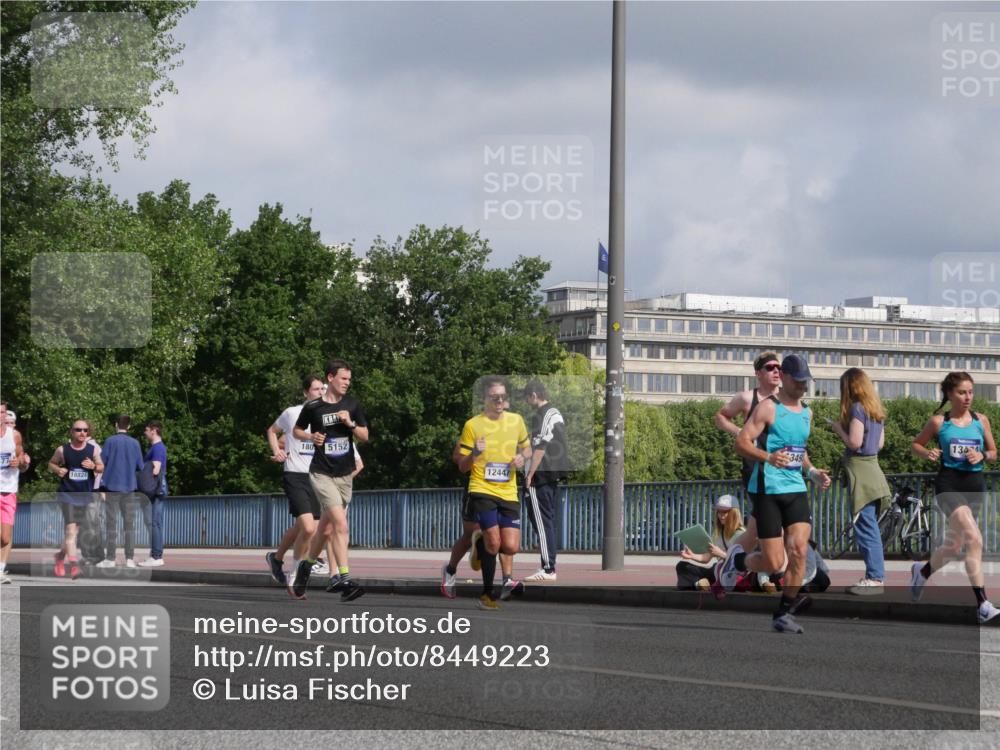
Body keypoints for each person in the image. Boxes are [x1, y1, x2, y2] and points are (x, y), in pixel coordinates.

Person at [724, 354, 832, 633]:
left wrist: (812, 472)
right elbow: (741, 443)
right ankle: (738, 561)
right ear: (784, 377)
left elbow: (799, 450)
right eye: (798, 381)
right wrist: (767, 457)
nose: (803, 387)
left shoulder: (807, 413)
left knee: (798, 551)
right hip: (767, 489)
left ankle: (783, 612)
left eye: (806, 382)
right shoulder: (767, 409)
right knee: (772, 562)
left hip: (796, 488)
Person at [910, 372, 999, 625]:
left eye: (971, 391)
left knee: (956, 545)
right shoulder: (939, 422)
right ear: (950, 394)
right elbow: (915, 445)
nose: (968, 397)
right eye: (962, 392)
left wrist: (982, 455)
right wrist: (927, 453)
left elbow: (993, 452)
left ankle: (922, 571)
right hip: (949, 484)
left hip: (975, 485)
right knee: (975, 538)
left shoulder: (981, 421)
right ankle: (982, 603)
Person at [290, 359, 369, 601]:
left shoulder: (352, 405)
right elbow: (296, 431)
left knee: (324, 529)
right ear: (330, 378)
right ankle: (341, 577)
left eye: (349, 380)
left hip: (344, 474)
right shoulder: (314, 407)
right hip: (321, 473)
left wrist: (350, 423)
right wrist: (311, 436)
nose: (347, 383)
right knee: (340, 524)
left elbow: (365, 436)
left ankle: (306, 567)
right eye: (344, 379)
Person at [455, 376, 531, 610]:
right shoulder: (473, 425)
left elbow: (528, 448)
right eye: (494, 397)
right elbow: (462, 466)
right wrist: (474, 454)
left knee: (511, 547)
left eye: (503, 397)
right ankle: (487, 594)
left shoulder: (516, 421)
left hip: (508, 491)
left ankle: (479, 544)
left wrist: (522, 457)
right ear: (485, 399)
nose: (499, 400)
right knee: (494, 543)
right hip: (482, 488)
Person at [714, 352, 782, 570]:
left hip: (781, 469)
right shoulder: (746, 398)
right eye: (770, 367)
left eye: (778, 368)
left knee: (756, 531)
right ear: (758, 373)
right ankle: (774, 568)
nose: (776, 371)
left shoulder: (787, 398)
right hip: (755, 469)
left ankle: (729, 562)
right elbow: (720, 416)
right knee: (772, 524)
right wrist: (740, 433)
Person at [829, 368, 890, 595]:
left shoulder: (856, 408)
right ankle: (875, 575)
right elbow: (880, 444)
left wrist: (838, 429)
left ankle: (875, 577)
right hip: (874, 470)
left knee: (865, 526)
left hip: (860, 473)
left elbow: (854, 443)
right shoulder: (875, 410)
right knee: (869, 524)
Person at [265, 375, 326, 593]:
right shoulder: (292, 413)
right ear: (305, 393)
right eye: (316, 389)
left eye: (322, 389)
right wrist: (277, 451)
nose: (320, 392)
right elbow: (273, 432)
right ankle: (296, 572)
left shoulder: (327, 417)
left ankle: (276, 558)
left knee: (306, 528)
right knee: (309, 528)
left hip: (318, 478)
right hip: (295, 475)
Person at [522, 379, 569, 582]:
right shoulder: (555, 413)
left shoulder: (542, 415)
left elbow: (539, 447)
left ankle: (548, 568)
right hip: (553, 473)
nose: (527, 402)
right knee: (548, 521)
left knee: (541, 521)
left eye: (527, 398)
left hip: (540, 475)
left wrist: (530, 474)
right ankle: (549, 565)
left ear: (534, 395)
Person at [48, 420, 103, 579]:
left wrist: (93, 466)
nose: (82, 433)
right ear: (72, 431)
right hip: (67, 495)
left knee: (73, 533)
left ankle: (59, 557)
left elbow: (101, 467)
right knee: (71, 530)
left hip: (84, 496)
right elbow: (51, 463)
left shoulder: (93, 450)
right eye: (78, 430)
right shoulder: (62, 449)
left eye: (85, 430)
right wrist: (58, 469)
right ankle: (74, 566)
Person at [97, 414, 144, 568]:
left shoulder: (110, 441)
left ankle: (110, 558)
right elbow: (140, 466)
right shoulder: (135, 443)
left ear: (116, 425)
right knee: (129, 524)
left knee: (111, 523)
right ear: (129, 426)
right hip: (130, 487)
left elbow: (102, 461)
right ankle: (129, 558)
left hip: (112, 487)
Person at [675, 494, 745, 590]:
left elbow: (743, 563)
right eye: (719, 512)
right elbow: (706, 558)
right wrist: (691, 556)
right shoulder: (718, 534)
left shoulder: (742, 535)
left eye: (725, 512)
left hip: (732, 574)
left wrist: (721, 554)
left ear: (734, 513)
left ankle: (698, 584)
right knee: (682, 566)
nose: (721, 516)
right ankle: (702, 583)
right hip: (716, 571)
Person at [1, 402, 30, 584]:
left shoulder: (15, 435)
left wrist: (19, 463)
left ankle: (1, 569)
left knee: (4, 536)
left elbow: (23, 463)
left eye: (2, 412)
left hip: (8, 491)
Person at [139, 420, 168, 567]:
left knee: (154, 523)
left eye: (146, 430)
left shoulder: (157, 448)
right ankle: (155, 554)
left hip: (154, 490)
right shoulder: (158, 447)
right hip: (157, 489)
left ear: (154, 430)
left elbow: (155, 469)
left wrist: (144, 485)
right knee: (154, 523)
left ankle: (156, 556)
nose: (145, 432)